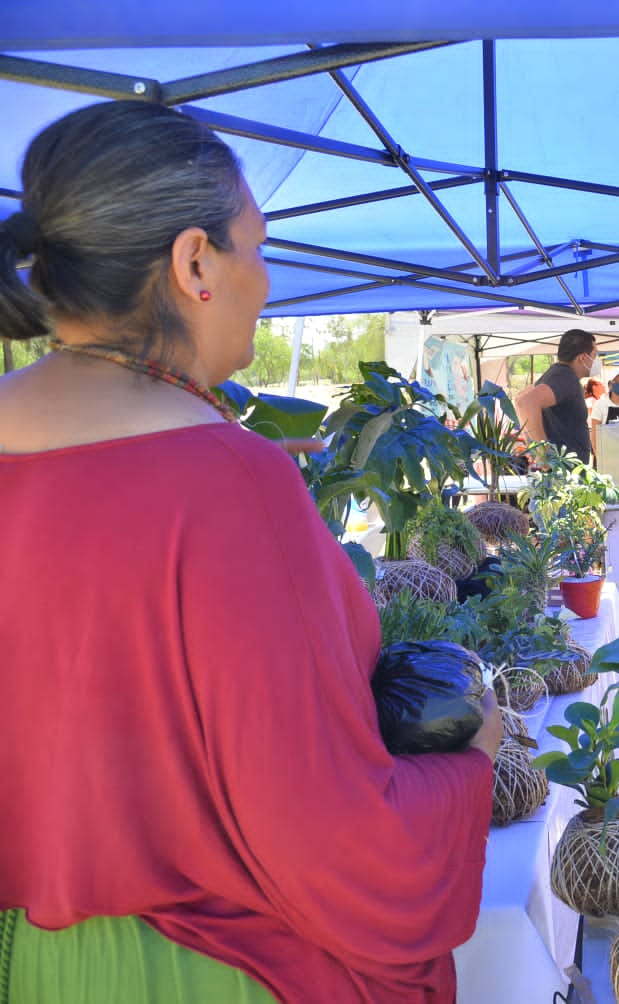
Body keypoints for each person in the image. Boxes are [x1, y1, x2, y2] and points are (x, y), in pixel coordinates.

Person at [0, 101, 505, 1003]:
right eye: (258, 248)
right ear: (195, 261)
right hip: (201, 972)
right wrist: (467, 768)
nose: (266, 281)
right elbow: (333, 843)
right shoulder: (227, 480)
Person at [515, 327, 599, 462]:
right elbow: (526, 402)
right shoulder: (565, 378)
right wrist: (543, 453)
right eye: (595, 355)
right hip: (564, 475)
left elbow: (520, 397)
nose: (596, 361)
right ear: (583, 357)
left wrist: (534, 446)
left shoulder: (556, 373)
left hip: (565, 474)